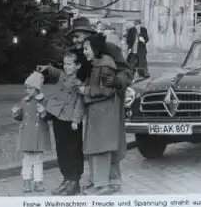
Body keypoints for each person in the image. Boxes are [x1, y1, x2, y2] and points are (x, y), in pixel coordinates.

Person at [66, 17, 133, 193]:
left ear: (89, 35)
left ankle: (113, 180)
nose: (75, 41)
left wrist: (117, 81)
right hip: (93, 102)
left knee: (110, 140)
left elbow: (127, 71)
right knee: (95, 141)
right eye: (73, 37)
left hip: (112, 100)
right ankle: (96, 178)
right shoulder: (82, 53)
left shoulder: (110, 50)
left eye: (78, 36)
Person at [36, 50, 87, 196]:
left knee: (73, 151)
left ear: (77, 66)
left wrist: (76, 120)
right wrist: (48, 69)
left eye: (70, 64)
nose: (66, 67)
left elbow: (80, 103)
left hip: (71, 121)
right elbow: (57, 72)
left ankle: (74, 181)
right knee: (61, 150)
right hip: (58, 118)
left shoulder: (78, 83)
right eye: (65, 64)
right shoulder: (63, 77)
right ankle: (66, 179)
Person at [81, 33, 122, 195]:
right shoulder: (99, 64)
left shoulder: (105, 66)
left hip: (104, 113)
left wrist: (86, 90)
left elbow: (107, 90)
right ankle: (102, 181)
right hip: (98, 113)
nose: (84, 52)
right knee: (97, 148)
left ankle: (103, 184)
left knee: (101, 149)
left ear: (95, 49)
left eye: (86, 48)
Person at [11, 71, 51, 193]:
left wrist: (44, 112)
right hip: (27, 134)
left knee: (38, 159)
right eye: (26, 87)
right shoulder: (24, 101)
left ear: (37, 88)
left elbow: (49, 117)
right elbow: (20, 117)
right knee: (27, 159)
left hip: (39, 133)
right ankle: (26, 181)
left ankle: (38, 181)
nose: (27, 90)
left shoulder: (44, 100)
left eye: (30, 88)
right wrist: (16, 114)